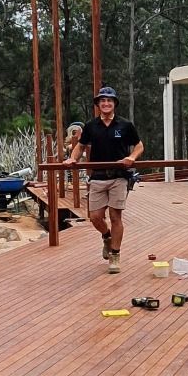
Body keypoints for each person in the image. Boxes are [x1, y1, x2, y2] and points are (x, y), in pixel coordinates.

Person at [67, 87, 143, 274]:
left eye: (109, 100)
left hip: (119, 176)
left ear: (114, 103)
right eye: (103, 101)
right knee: (95, 217)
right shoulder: (91, 126)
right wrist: (72, 158)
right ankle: (106, 237)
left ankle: (115, 256)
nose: (106, 103)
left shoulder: (125, 125)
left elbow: (139, 146)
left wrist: (132, 157)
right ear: (98, 104)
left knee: (116, 217)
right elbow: (81, 146)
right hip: (98, 177)